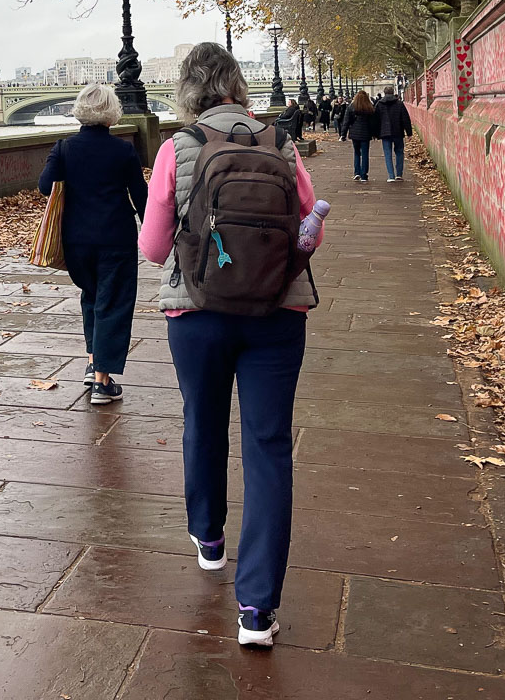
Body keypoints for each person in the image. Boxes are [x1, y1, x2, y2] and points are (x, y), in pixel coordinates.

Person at [139, 42, 321, 648]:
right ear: (238, 86)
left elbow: (153, 248)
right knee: (269, 446)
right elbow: (303, 229)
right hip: (277, 309)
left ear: (189, 90)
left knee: (204, 420)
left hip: (198, 314)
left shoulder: (175, 148)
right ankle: (257, 611)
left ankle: (208, 536)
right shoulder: (281, 144)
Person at [38, 82, 148, 406]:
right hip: (116, 238)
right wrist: (157, 232)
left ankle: (91, 361)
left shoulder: (63, 148)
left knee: (92, 297)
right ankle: (103, 382)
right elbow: (140, 197)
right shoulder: (124, 150)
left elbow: (46, 186)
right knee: (113, 304)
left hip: (78, 242)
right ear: (112, 112)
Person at [375, 84, 414, 183]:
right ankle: (399, 174)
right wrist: (409, 133)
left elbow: (375, 120)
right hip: (398, 131)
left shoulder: (379, 104)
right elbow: (405, 119)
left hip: (385, 132)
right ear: (393, 93)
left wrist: (375, 133)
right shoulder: (399, 104)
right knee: (399, 152)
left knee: (387, 153)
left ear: (384, 93)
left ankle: (391, 175)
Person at [339, 89, 379, 181]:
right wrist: (375, 134)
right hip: (366, 134)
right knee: (365, 154)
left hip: (354, 134)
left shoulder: (351, 107)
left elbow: (346, 121)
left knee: (357, 153)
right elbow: (373, 123)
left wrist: (343, 135)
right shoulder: (369, 107)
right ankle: (364, 175)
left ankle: (357, 172)